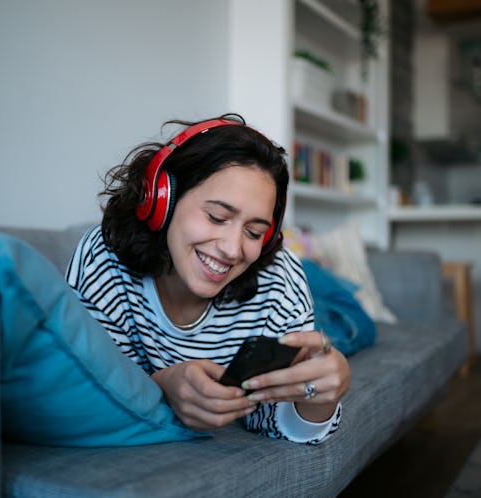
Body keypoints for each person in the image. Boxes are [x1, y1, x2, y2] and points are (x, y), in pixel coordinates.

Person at [66, 113, 350, 443]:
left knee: (348, 328)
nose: (232, 249)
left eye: (254, 231)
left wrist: (320, 398)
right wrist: (162, 385)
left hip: (293, 289)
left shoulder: (278, 276)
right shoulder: (104, 259)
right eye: (216, 217)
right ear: (163, 199)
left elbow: (277, 418)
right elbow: (83, 399)